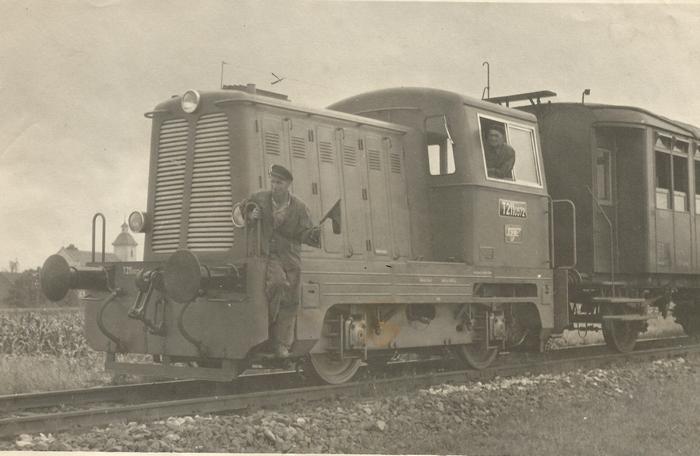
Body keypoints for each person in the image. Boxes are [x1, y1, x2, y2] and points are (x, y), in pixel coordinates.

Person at [244, 164, 320, 358]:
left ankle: (282, 344)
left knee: (291, 300)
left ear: (288, 184)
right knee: (277, 283)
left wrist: (315, 234)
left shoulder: (300, 207)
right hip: (267, 255)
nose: (275, 186)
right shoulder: (259, 198)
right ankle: (267, 333)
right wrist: (250, 215)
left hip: (291, 258)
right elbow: (238, 212)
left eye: (279, 183)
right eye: (273, 182)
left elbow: (305, 234)